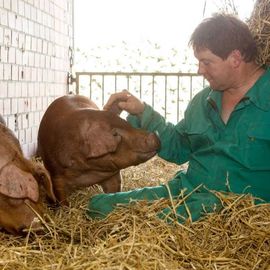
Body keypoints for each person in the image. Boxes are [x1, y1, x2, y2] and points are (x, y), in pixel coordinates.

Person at [87, 13, 270, 223]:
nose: (200, 70)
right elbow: (177, 147)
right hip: (186, 192)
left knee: (154, 225)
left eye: (206, 62)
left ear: (235, 59)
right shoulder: (203, 101)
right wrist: (142, 112)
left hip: (236, 210)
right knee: (99, 206)